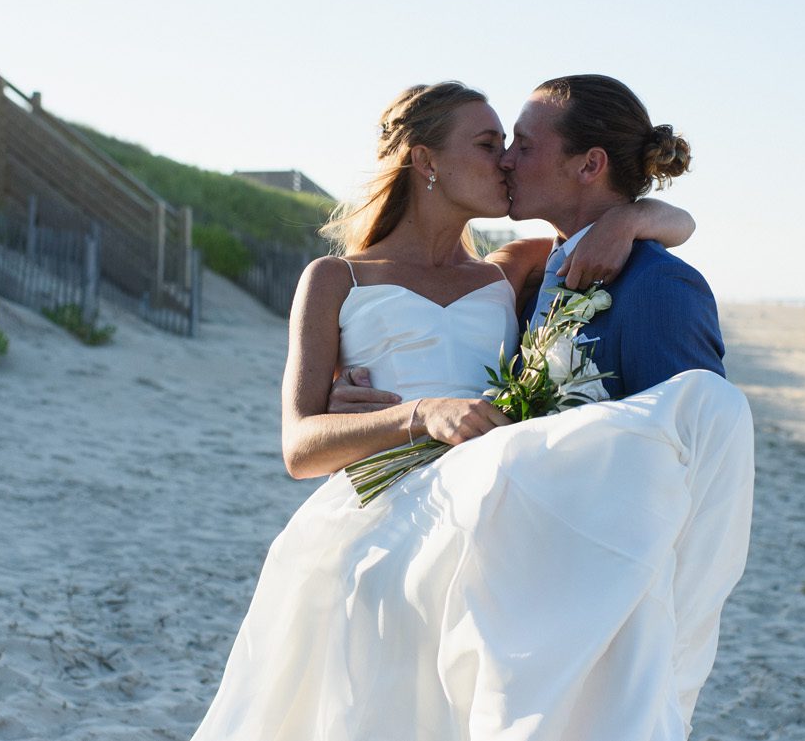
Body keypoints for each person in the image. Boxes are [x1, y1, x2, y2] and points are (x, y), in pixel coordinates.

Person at [190, 80, 754, 741]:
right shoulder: (333, 278)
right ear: (427, 161)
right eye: (490, 145)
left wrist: (631, 219)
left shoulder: (512, 270)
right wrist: (413, 414)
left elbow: (655, 226)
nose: (506, 160)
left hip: (489, 493)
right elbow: (298, 446)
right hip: (388, 496)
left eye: (514, 144)